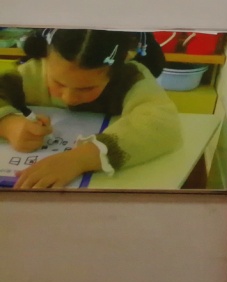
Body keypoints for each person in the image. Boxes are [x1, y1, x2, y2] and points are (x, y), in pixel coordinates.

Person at [0, 28, 177, 189]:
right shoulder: (32, 72)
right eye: (58, 83)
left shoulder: (130, 77)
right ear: (45, 55)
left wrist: (81, 159)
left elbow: (162, 125)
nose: (69, 98)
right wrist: (8, 124)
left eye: (86, 89)